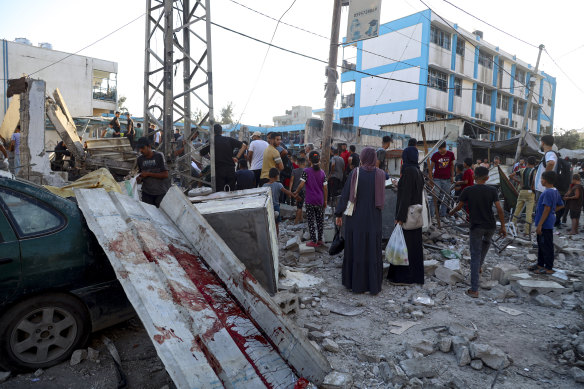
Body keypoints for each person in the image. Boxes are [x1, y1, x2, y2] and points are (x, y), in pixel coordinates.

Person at [449, 167, 506, 298]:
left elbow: (459, 206)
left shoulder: (468, 190)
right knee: (486, 244)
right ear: (487, 178)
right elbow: (499, 209)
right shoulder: (492, 190)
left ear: (474, 177)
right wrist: (503, 227)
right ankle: (479, 267)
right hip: (490, 226)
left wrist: (451, 212)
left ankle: (474, 289)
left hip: (476, 226)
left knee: (475, 254)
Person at [335, 148, 386, 295]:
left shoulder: (355, 173)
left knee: (356, 247)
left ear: (363, 158)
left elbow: (345, 195)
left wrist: (338, 213)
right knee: (372, 248)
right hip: (374, 218)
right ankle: (372, 284)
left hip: (356, 217)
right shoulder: (381, 174)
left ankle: (355, 283)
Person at [387, 142, 425, 286]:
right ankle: (415, 276)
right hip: (415, 215)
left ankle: (403, 277)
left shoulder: (408, 171)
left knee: (404, 247)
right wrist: (400, 184)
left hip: (407, 215)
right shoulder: (417, 171)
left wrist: (400, 217)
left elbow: (405, 197)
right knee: (415, 248)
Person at [529, 171, 564, 275]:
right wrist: (553, 211)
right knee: (541, 244)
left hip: (545, 224)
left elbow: (547, 208)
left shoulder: (548, 192)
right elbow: (561, 205)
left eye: (542, 179)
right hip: (546, 222)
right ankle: (540, 264)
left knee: (546, 246)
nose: (541, 180)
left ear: (546, 180)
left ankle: (548, 267)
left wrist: (540, 224)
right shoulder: (555, 191)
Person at [294, 151, 328, 247]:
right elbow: (325, 188)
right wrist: (325, 201)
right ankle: (320, 239)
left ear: (309, 160)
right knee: (320, 220)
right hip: (320, 200)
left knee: (311, 220)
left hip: (310, 200)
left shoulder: (306, 171)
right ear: (319, 160)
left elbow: (301, 185)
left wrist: (296, 192)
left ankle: (313, 240)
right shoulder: (322, 173)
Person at [200, 124, 247, 192]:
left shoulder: (211, 142)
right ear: (221, 132)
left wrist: (211, 156)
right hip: (230, 170)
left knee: (220, 193)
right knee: (231, 192)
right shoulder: (229, 139)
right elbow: (244, 146)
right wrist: (237, 157)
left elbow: (201, 154)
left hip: (218, 171)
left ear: (212, 132)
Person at [136, 137, 171, 207]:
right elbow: (141, 175)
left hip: (160, 193)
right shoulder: (140, 159)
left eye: (142, 148)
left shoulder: (159, 156)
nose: (141, 150)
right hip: (147, 193)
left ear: (149, 146)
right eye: (139, 148)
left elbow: (165, 174)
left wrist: (148, 174)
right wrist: (139, 179)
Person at [264, 168, 297, 235]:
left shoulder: (264, 186)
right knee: (276, 225)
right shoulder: (279, 185)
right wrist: (295, 196)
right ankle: (277, 240)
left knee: (268, 224)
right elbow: (286, 192)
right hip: (276, 207)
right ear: (276, 176)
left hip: (267, 207)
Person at [510, 156, 537, 235]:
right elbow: (535, 181)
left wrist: (519, 182)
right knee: (529, 213)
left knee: (517, 210)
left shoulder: (522, 169)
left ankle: (512, 227)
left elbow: (511, 176)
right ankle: (527, 232)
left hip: (522, 191)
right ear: (535, 163)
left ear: (527, 163)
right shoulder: (535, 171)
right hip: (530, 192)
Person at [429, 142, 455, 218]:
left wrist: (452, 176)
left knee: (445, 198)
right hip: (437, 179)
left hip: (447, 179)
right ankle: (431, 217)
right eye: (439, 149)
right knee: (435, 198)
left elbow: (452, 166)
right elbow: (431, 168)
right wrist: (431, 179)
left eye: (442, 149)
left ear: (445, 147)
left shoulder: (451, 154)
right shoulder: (435, 155)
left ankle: (442, 216)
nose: (440, 150)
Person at [534, 135, 557, 199]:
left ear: (543, 143)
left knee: (541, 208)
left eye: (541, 142)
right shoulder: (548, 154)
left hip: (543, 189)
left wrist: (544, 177)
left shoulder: (550, 153)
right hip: (542, 189)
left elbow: (551, 163)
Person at [289, 157, 306, 224]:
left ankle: (301, 219)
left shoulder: (294, 171)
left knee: (298, 204)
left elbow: (291, 181)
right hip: (303, 190)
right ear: (304, 163)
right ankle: (296, 222)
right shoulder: (306, 171)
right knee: (299, 206)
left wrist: (290, 190)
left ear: (298, 163)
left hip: (295, 190)